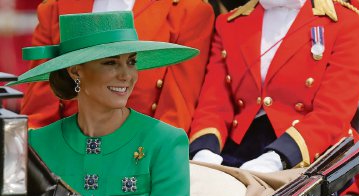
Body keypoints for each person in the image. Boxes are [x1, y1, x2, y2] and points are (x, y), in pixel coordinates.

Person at [10, 11, 197, 196]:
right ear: (76, 71)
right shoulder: (32, 146)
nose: (126, 75)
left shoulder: (165, 142)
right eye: (110, 62)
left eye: (131, 61)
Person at [189, 0, 359, 195]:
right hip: (237, 150)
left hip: (308, 151)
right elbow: (214, 104)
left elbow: (332, 112)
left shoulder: (346, 22)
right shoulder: (230, 23)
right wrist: (204, 152)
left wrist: (278, 158)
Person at [20, 0, 214, 133]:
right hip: (63, 158)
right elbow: (39, 114)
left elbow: (174, 113)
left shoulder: (189, 10)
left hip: (139, 156)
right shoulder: (54, 7)